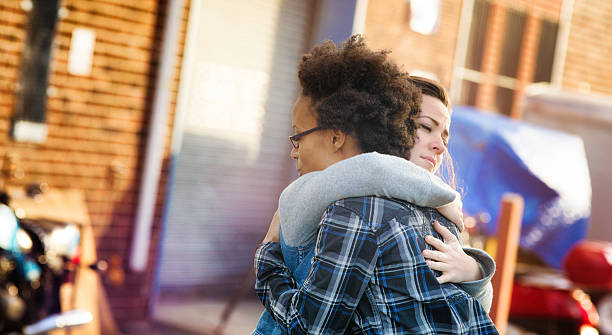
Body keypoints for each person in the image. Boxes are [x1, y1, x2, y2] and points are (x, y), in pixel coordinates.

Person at [254, 35, 498, 334]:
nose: (440, 147)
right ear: (391, 122)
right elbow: (371, 167)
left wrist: (473, 270)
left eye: (445, 136)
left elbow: (311, 326)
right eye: (424, 127)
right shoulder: (403, 199)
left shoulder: (387, 210)